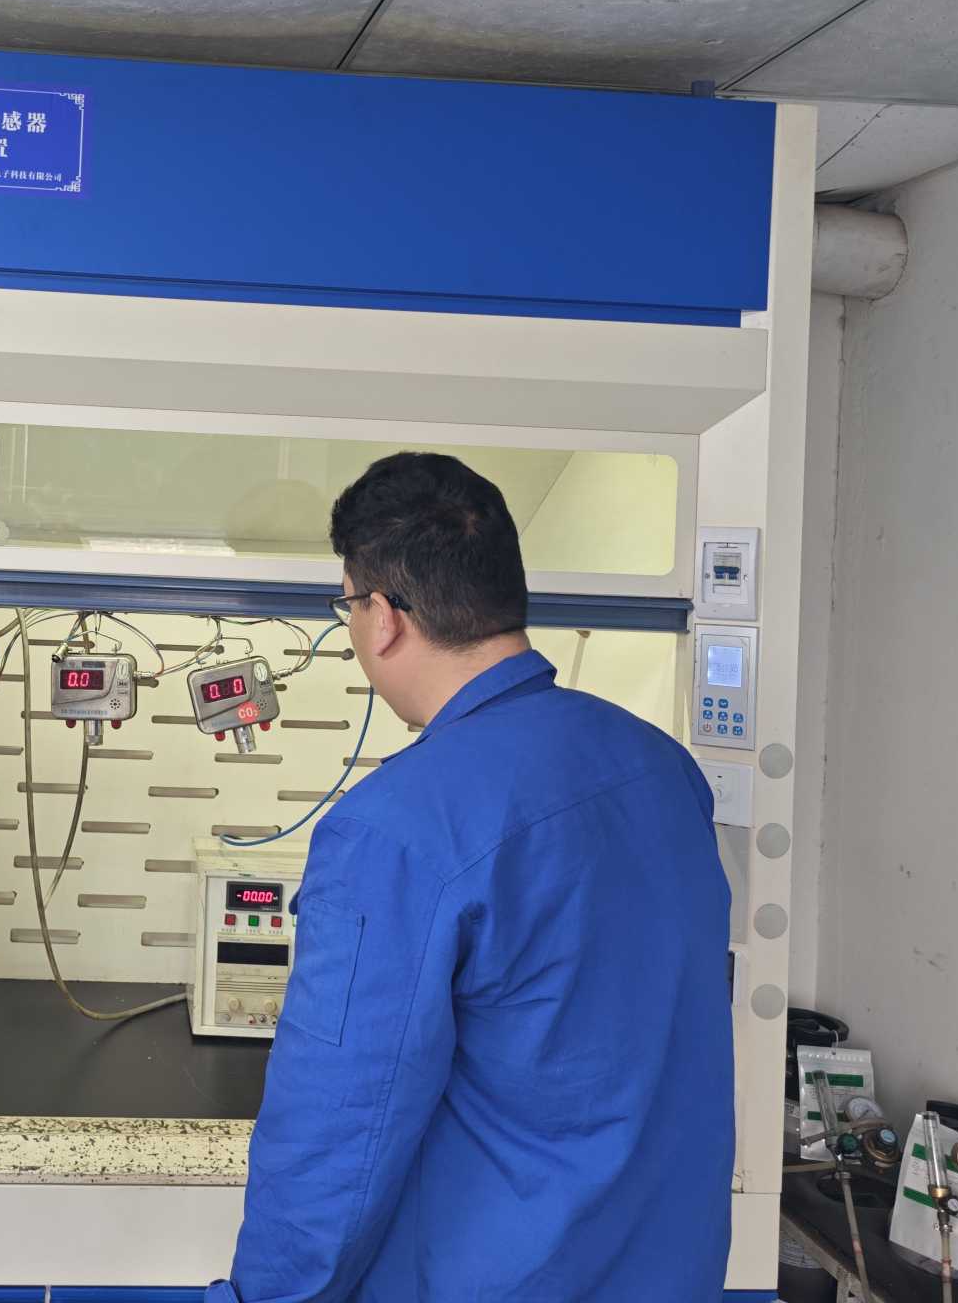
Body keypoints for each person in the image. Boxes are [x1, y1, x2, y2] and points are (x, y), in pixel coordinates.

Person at [206, 452, 734, 1302]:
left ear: (383, 617)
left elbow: (338, 1134)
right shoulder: (663, 770)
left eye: (348, 605)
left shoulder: (393, 831)